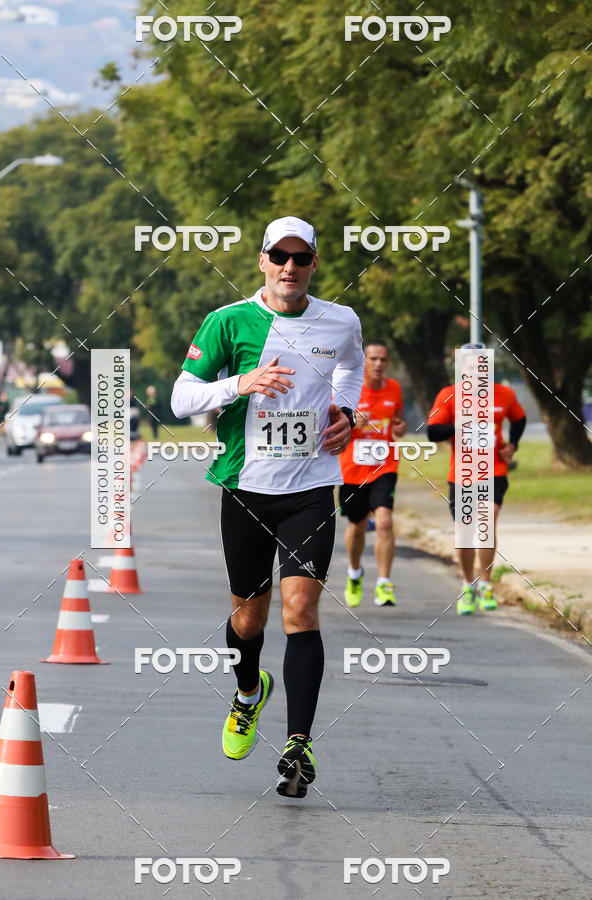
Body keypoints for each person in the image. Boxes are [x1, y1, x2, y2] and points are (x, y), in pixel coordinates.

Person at [171, 216, 364, 797]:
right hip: (246, 488)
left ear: (313, 265)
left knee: (300, 612)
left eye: (300, 258)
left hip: (310, 488)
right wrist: (241, 383)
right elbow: (182, 399)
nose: (289, 267)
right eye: (278, 256)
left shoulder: (341, 320)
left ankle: (298, 744)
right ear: (262, 261)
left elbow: (350, 368)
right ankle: (249, 692)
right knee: (248, 619)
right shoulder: (228, 322)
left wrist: (346, 413)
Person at [427, 343, 526, 614]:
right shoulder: (449, 395)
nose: (477, 370)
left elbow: (519, 419)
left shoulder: (504, 394)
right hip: (461, 474)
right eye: (471, 365)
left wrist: (512, 445)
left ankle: (486, 583)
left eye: (482, 364)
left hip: (494, 470)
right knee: (465, 529)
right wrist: (458, 426)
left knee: (486, 518)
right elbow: (432, 433)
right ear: (462, 368)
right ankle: (467, 584)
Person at [338, 342, 407, 608]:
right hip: (352, 470)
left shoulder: (395, 389)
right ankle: (355, 573)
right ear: (364, 360)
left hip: (385, 466)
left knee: (385, 522)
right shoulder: (349, 389)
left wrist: (400, 427)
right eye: (373, 359)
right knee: (356, 527)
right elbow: (330, 425)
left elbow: (398, 423)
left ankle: (384, 583)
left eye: (383, 359)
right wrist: (353, 422)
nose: (378, 364)